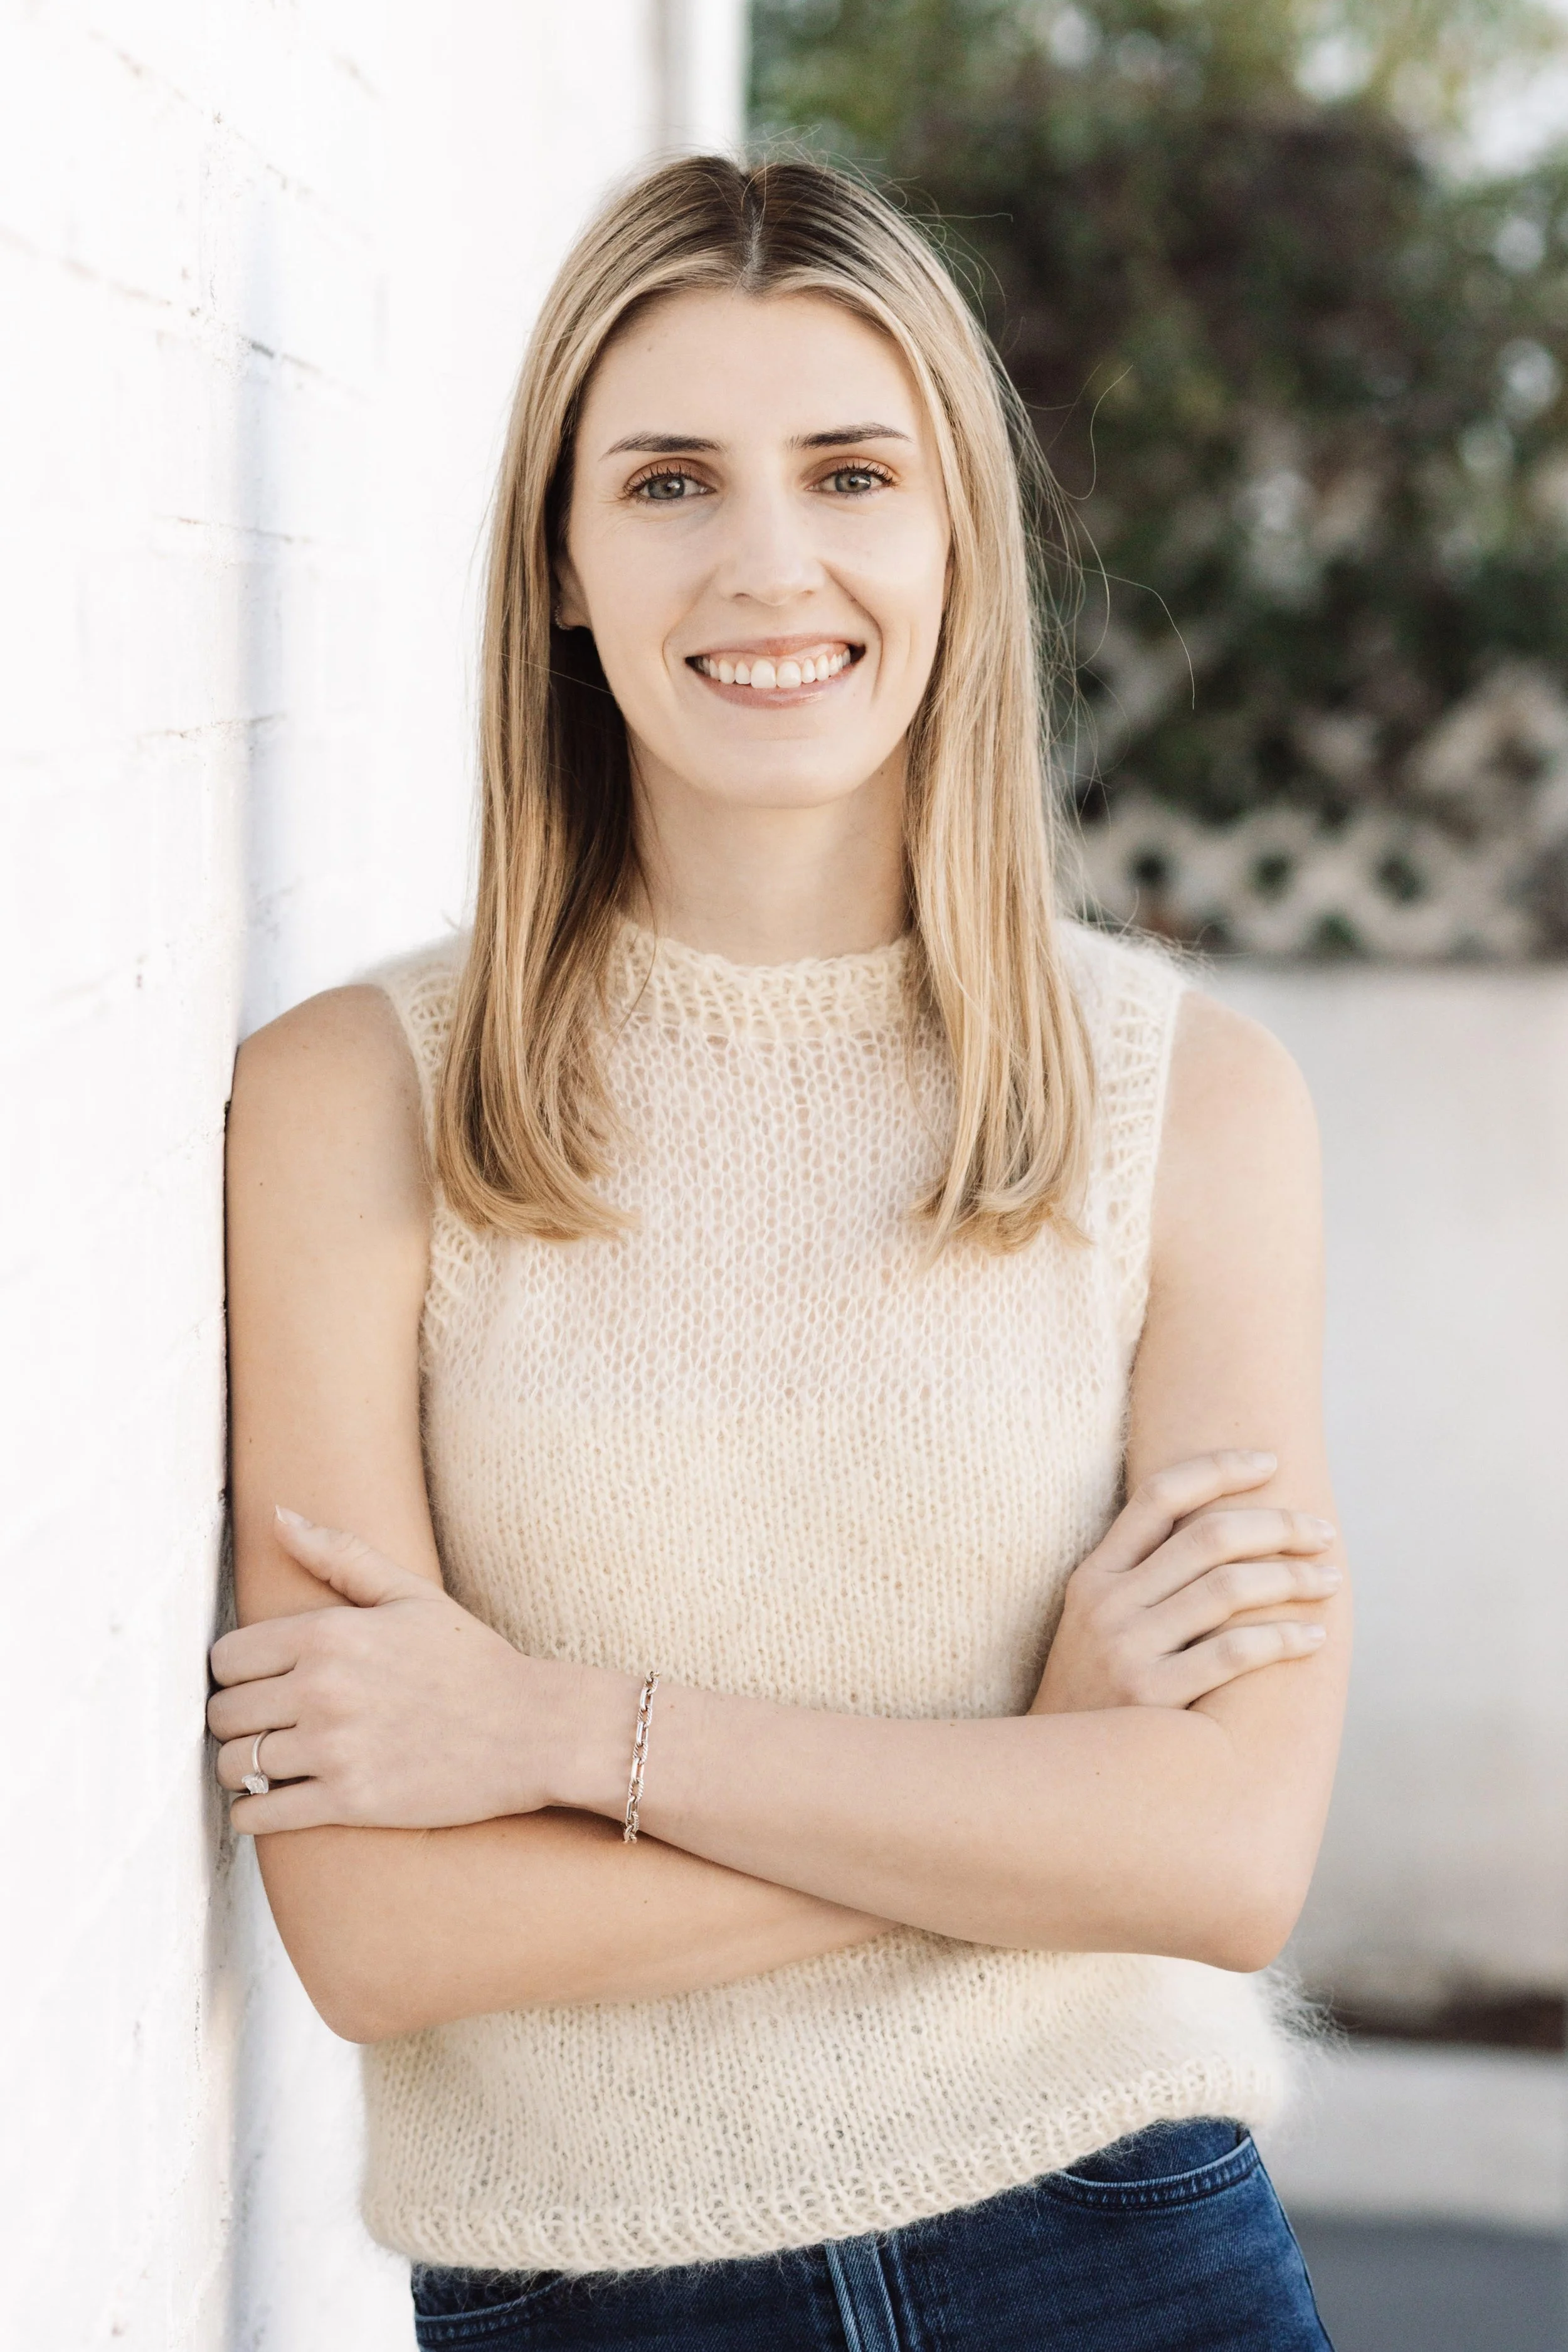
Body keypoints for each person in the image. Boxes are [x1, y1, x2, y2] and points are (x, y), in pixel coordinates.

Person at [208, 154, 1349, 2349]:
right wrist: (1030, 1773)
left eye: (849, 470)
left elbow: (1215, 1862)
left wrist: (551, 1732)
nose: (768, 562)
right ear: (558, 558)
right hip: (589, 2299)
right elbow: (374, 1927)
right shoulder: (355, 1102)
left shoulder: (1183, 1104)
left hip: (1120, 2246)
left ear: (954, 539)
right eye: (664, 480)